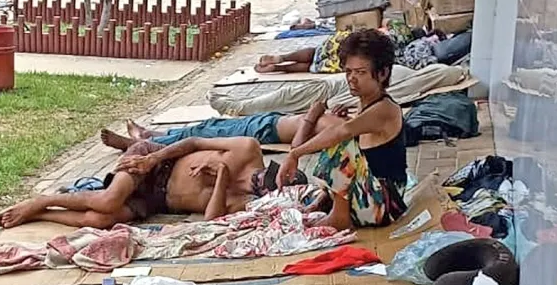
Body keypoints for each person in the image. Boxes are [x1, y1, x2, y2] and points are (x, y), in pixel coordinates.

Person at [0, 136, 308, 230]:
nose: (251, 181)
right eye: (260, 175)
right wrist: (152, 160)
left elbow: (213, 219)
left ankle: (42, 213)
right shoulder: (247, 149)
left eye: (258, 185)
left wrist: (224, 176)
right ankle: (40, 199)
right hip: (156, 163)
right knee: (107, 201)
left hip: (157, 201)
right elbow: (194, 141)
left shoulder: (243, 200)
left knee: (100, 220)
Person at [276, 29, 408, 231]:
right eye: (349, 72)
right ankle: (329, 203)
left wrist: (295, 154)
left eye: (361, 72)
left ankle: (339, 217)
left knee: (341, 141)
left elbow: (343, 132)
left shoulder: (385, 108)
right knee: (340, 137)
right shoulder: (364, 105)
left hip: (386, 204)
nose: (352, 78)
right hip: (370, 198)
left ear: (383, 73)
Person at [99, 105, 347, 153]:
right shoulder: (346, 127)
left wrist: (313, 116)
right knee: (207, 126)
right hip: (266, 122)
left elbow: (298, 147)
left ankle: (138, 144)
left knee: (200, 135)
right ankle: (152, 135)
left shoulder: (343, 135)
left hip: (262, 132)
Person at [255, 29, 351, 74]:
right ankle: (277, 68)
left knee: (316, 52)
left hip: (346, 42)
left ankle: (281, 58)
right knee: (312, 66)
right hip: (353, 57)